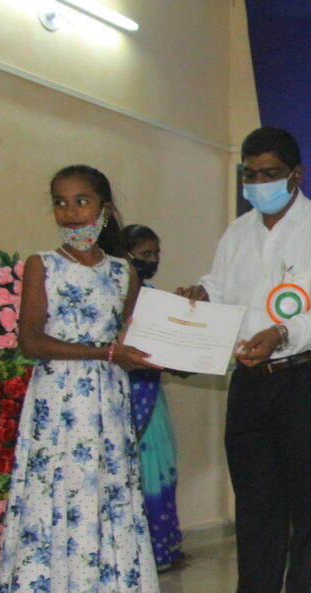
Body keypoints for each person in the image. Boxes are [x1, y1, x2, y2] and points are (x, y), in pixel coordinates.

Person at [179, 127, 311, 593]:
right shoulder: (238, 232)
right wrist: (201, 295)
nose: (258, 183)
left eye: (269, 173)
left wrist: (281, 333)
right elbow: (223, 288)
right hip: (250, 382)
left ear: (297, 175)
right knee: (255, 505)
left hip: (308, 379)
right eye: (250, 174)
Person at [0, 165, 162, 593]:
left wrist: (182, 326)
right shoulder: (42, 265)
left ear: (104, 208)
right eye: (60, 202)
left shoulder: (123, 272)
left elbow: (138, 338)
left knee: (100, 519)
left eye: (82, 201)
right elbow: (32, 341)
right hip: (57, 411)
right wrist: (105, 353)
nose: (70, 213)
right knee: (49, 521)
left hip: (107, 414)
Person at [120, 224, 184, 570]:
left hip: (150, 394)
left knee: (158, 468)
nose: (152, 260)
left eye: (156, 253)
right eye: (145, 254)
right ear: (125, 255)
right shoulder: (111, 294)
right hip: (120, 393)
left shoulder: (155, 298)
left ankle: (160, 550)